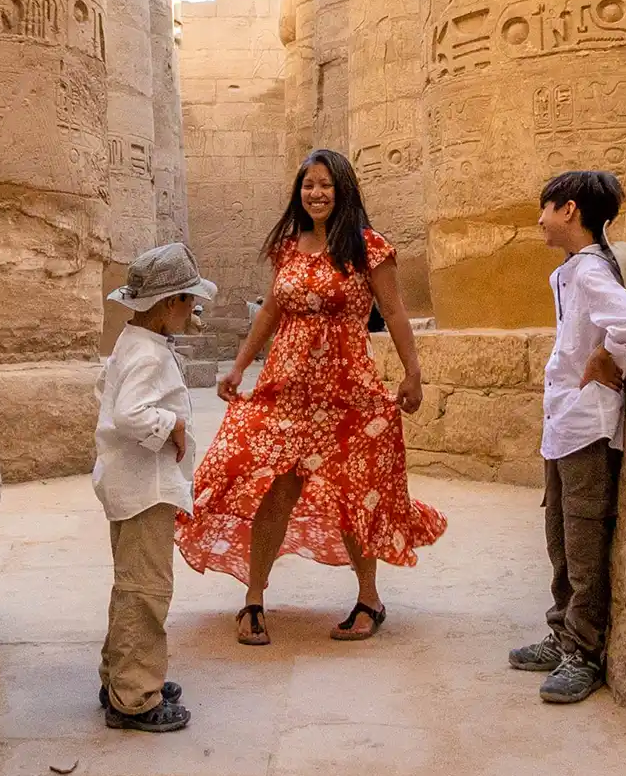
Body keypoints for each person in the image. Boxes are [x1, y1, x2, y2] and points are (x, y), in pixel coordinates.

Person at [176, 149, 447, 645]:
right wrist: (239, 365)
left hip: (348, 390)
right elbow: (271, 312)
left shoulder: (368, 247)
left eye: (325, 185)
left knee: (353, 491)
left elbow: (394, 311)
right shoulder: (287, 247)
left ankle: (369, 599)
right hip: (288, 388)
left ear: (343, 190)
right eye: (308, 185)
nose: (316, 194)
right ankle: (253, 599)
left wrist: (413, 373)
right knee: (274, 490)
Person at [509, 171, 626, 704]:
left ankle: (585, 653)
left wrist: (605, 355)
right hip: (564, 424)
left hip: (587, 426)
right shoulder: (572, 272)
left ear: (569, 210)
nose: (540, 219)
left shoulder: (591, 271)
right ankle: (562, 632)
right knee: (561, 538)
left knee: (585, 543)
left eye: (545, 208)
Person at [93, 242, 217, 732]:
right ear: (169, 304)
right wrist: (174, 425)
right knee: (147, 590)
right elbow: (129, 414)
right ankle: (135, 696)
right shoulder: (150, 355)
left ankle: (120, 675)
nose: (194, 309)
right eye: (190, 300)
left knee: (130, 584)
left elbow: (107, 395)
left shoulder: (133, 342)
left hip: (129, 484)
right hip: (146, 489)